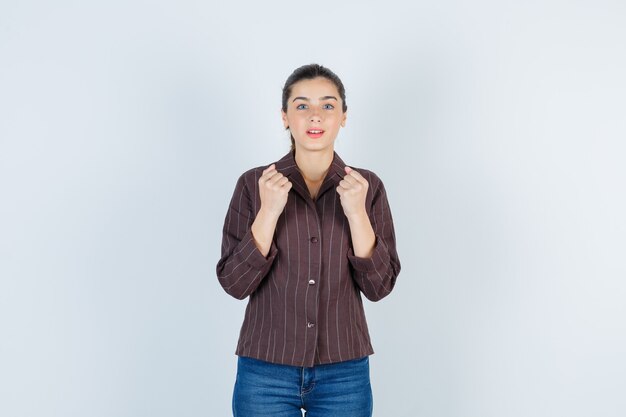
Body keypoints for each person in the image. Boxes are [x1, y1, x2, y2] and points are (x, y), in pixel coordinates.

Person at [216, 63, 401, 417]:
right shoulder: (254, 185)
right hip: (264, 370)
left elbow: (379, 287)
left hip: (344, 371)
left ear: (343, 116)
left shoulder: (368, 187)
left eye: (328, 105)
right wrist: (268, 212)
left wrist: (357, 213)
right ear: (285, 116)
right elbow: (234, 283)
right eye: (302, 105)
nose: (315, 116)